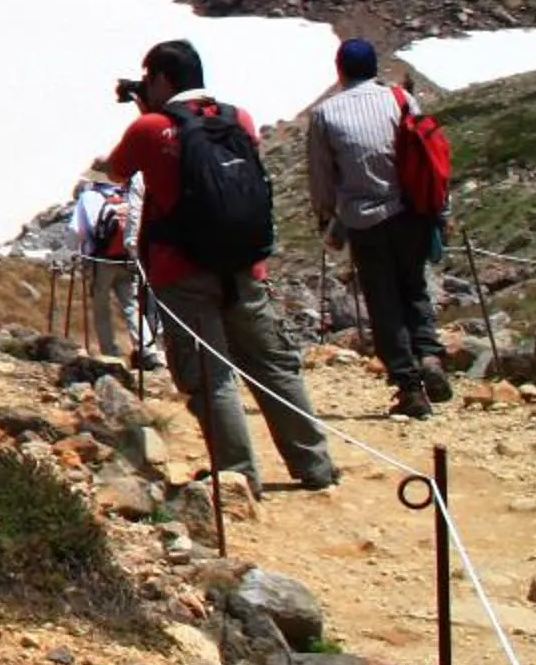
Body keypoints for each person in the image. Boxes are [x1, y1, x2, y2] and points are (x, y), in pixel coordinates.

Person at [97, 39, 341, 492]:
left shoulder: (150, 128)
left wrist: (145, 115)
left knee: (211, 376)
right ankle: (315, 466)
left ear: (161, 80)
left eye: (149, 79)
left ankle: (237, 475)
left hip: (182, 271)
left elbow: (117, 170)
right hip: (244, 265)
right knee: (273, 364)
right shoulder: (237, 118)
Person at [305, 36, 452, 419]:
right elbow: (427, 152)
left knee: (383, 301)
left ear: (340, 69)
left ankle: (408, 386)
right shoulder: (401, 99)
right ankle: (431, 356)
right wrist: (440, 211)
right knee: (414, 286)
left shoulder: (325, 114)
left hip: (364, 219)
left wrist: (326, 217)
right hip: (412, 212)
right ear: (375, 68)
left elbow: (321, 175)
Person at [69, 176, 165, 368]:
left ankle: (110, 353)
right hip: (126, 258)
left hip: (101, 260)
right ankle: (148, 351)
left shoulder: (87, 197)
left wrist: (76, 253)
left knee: (101, 308)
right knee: (132, 306)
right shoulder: (120, 195)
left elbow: (75, 232)